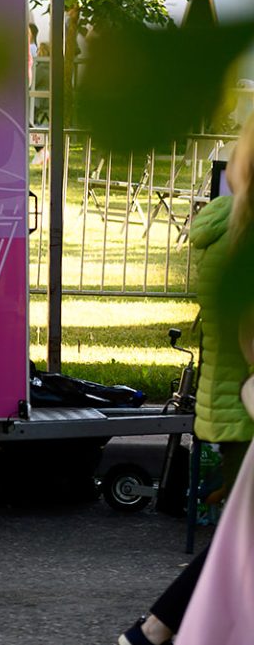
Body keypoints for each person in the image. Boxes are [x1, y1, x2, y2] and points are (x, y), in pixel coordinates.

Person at [118, 115, 254, 644]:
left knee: (240, 542)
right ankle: (154, 629)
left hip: (230, 407)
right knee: (238, 546)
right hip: (245, 412)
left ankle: (153, 630)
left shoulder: (225, 225)